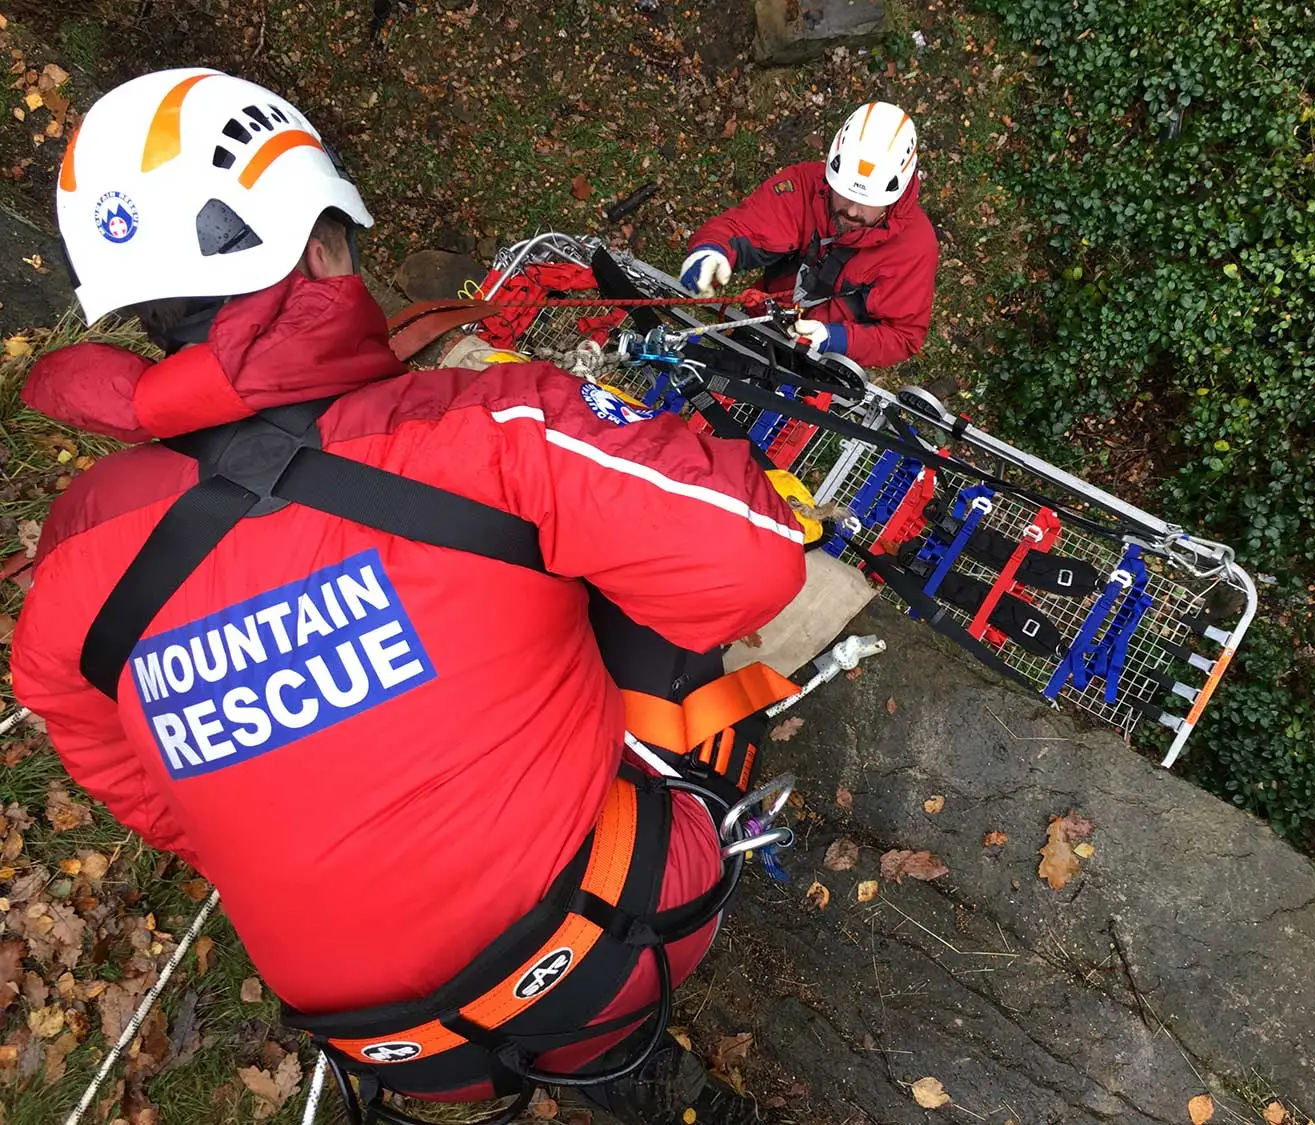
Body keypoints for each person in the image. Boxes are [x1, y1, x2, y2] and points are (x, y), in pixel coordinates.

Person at [11, 67, 808, 1124]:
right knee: (642, 602)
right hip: (617, 947)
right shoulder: (480, 424)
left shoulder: (78, 543)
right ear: (322, 246)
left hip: (386, 1053)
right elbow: (752, 559)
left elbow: (123, 766)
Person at [679, 100, 939, 369]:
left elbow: (903, 336)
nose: (852, 210)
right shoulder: (804, 186)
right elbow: (742, 227)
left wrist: (834, 339)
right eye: (845, 194)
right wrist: (712, 249)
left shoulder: (914, 248)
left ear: (893, 197)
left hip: (824, 361)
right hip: (764, 324)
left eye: (867, 202)